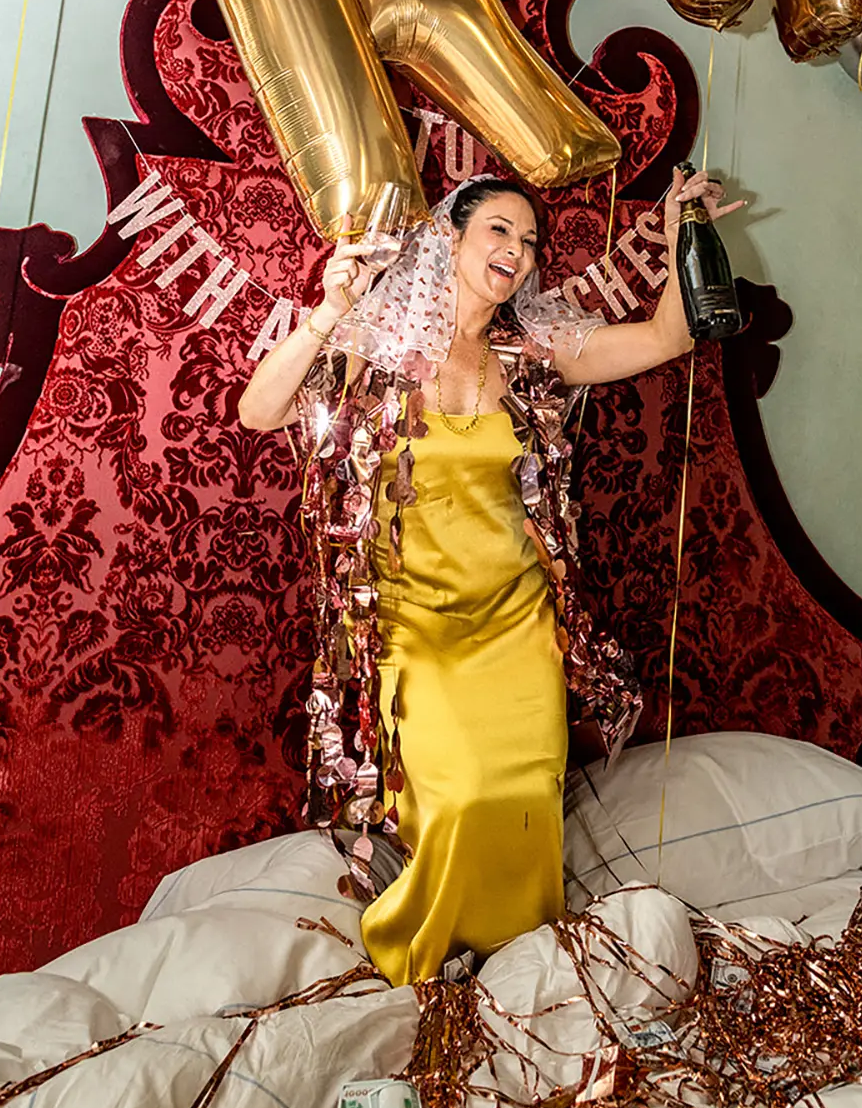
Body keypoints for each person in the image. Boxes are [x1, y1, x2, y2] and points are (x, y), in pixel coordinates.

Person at [238, 165, 742, 984]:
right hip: (414, 626)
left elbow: (666, 339)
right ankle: (422, 966)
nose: (518, 250)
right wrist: (330, 309)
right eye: (499, 230)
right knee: (460, 798)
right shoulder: (377, 344)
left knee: (524, 800)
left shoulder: (532, 351)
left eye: (530, 240)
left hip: (519, 624)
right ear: (449, 237)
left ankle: (522, 977)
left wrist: (688, 226)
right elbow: (259, 411)